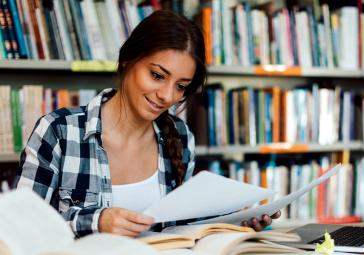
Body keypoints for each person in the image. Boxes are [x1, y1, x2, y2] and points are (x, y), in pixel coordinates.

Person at [13, 10, 280, 238]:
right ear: (129, 59)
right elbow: (20, 228)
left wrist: (238, 222)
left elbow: (180, 230)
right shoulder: (59, 131)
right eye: (157, 75)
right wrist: (97, 221)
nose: (167, 96)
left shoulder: (180, 137)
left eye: (181, 87)